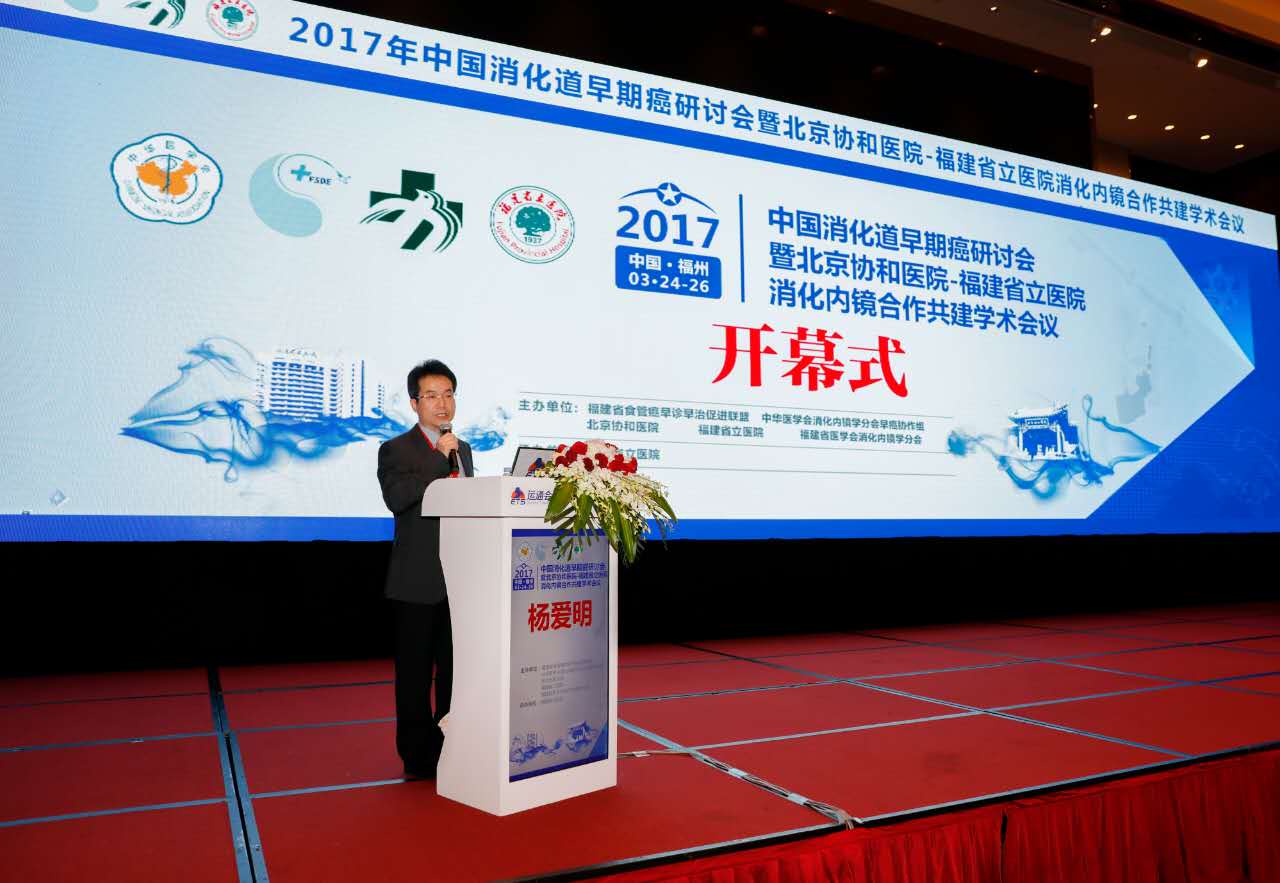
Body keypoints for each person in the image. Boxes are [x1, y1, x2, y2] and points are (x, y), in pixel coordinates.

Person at [377, 359, 473, 779]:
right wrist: (439, 459)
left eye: (448, 394)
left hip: (459, 581)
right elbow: (398, 498)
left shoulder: (463, 449)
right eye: (432, 396)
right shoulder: (396, 449)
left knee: (455, 673)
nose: (442, 403)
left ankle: (453, 748)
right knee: (414, 678)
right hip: (416, 581)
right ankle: (418, 758)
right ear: (415, 403)